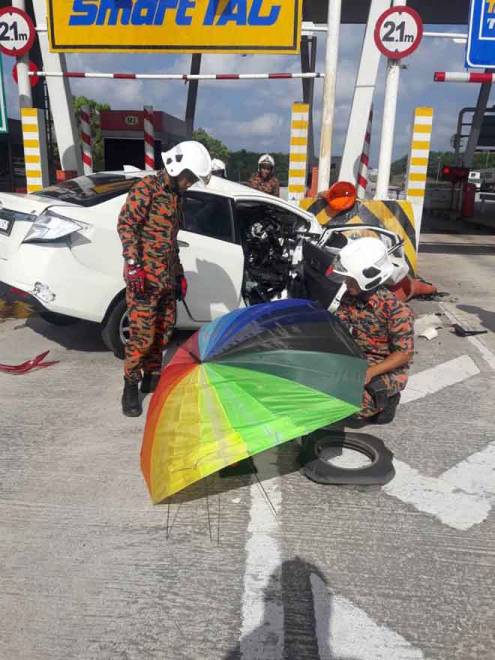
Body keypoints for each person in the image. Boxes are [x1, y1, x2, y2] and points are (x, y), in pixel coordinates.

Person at [117, 140, 212, 417]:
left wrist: (179, 273)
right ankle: (130, 386)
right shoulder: (147, 188)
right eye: (190, 177)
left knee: (164, 329)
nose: (191, 183)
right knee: (142, 335)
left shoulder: (176, 196)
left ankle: (152, 376)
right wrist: (133, 263)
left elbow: (170, 240)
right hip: (144, 278)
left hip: (166, 276)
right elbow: (127, 225)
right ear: (176, 168)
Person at [331, 237, 414, 424]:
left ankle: (388, 400)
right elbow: (341, 327)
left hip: (384, 367)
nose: (346, 284)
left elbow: (404, 354)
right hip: (356, 359)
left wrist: (371, 371)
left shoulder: (396, 310)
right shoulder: (350, 297)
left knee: (352, 408)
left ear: (368, 277)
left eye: (351, 280)